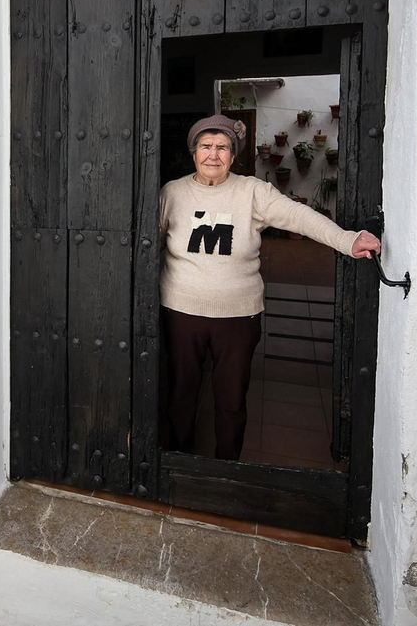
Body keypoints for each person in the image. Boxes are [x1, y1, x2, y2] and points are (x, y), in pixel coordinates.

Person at [158, 114, 380, 461]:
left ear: (233, 156)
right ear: (193, 152)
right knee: (181, 394)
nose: (213, 154)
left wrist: (346, 240)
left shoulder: (253, 192)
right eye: (205, 146)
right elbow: (148, 244)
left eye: (222, 147)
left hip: (238, 315)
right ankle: (177, 463)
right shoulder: (172, 193)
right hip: (181, 311)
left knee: (231, 400)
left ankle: (227, 468)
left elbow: (300, 217)